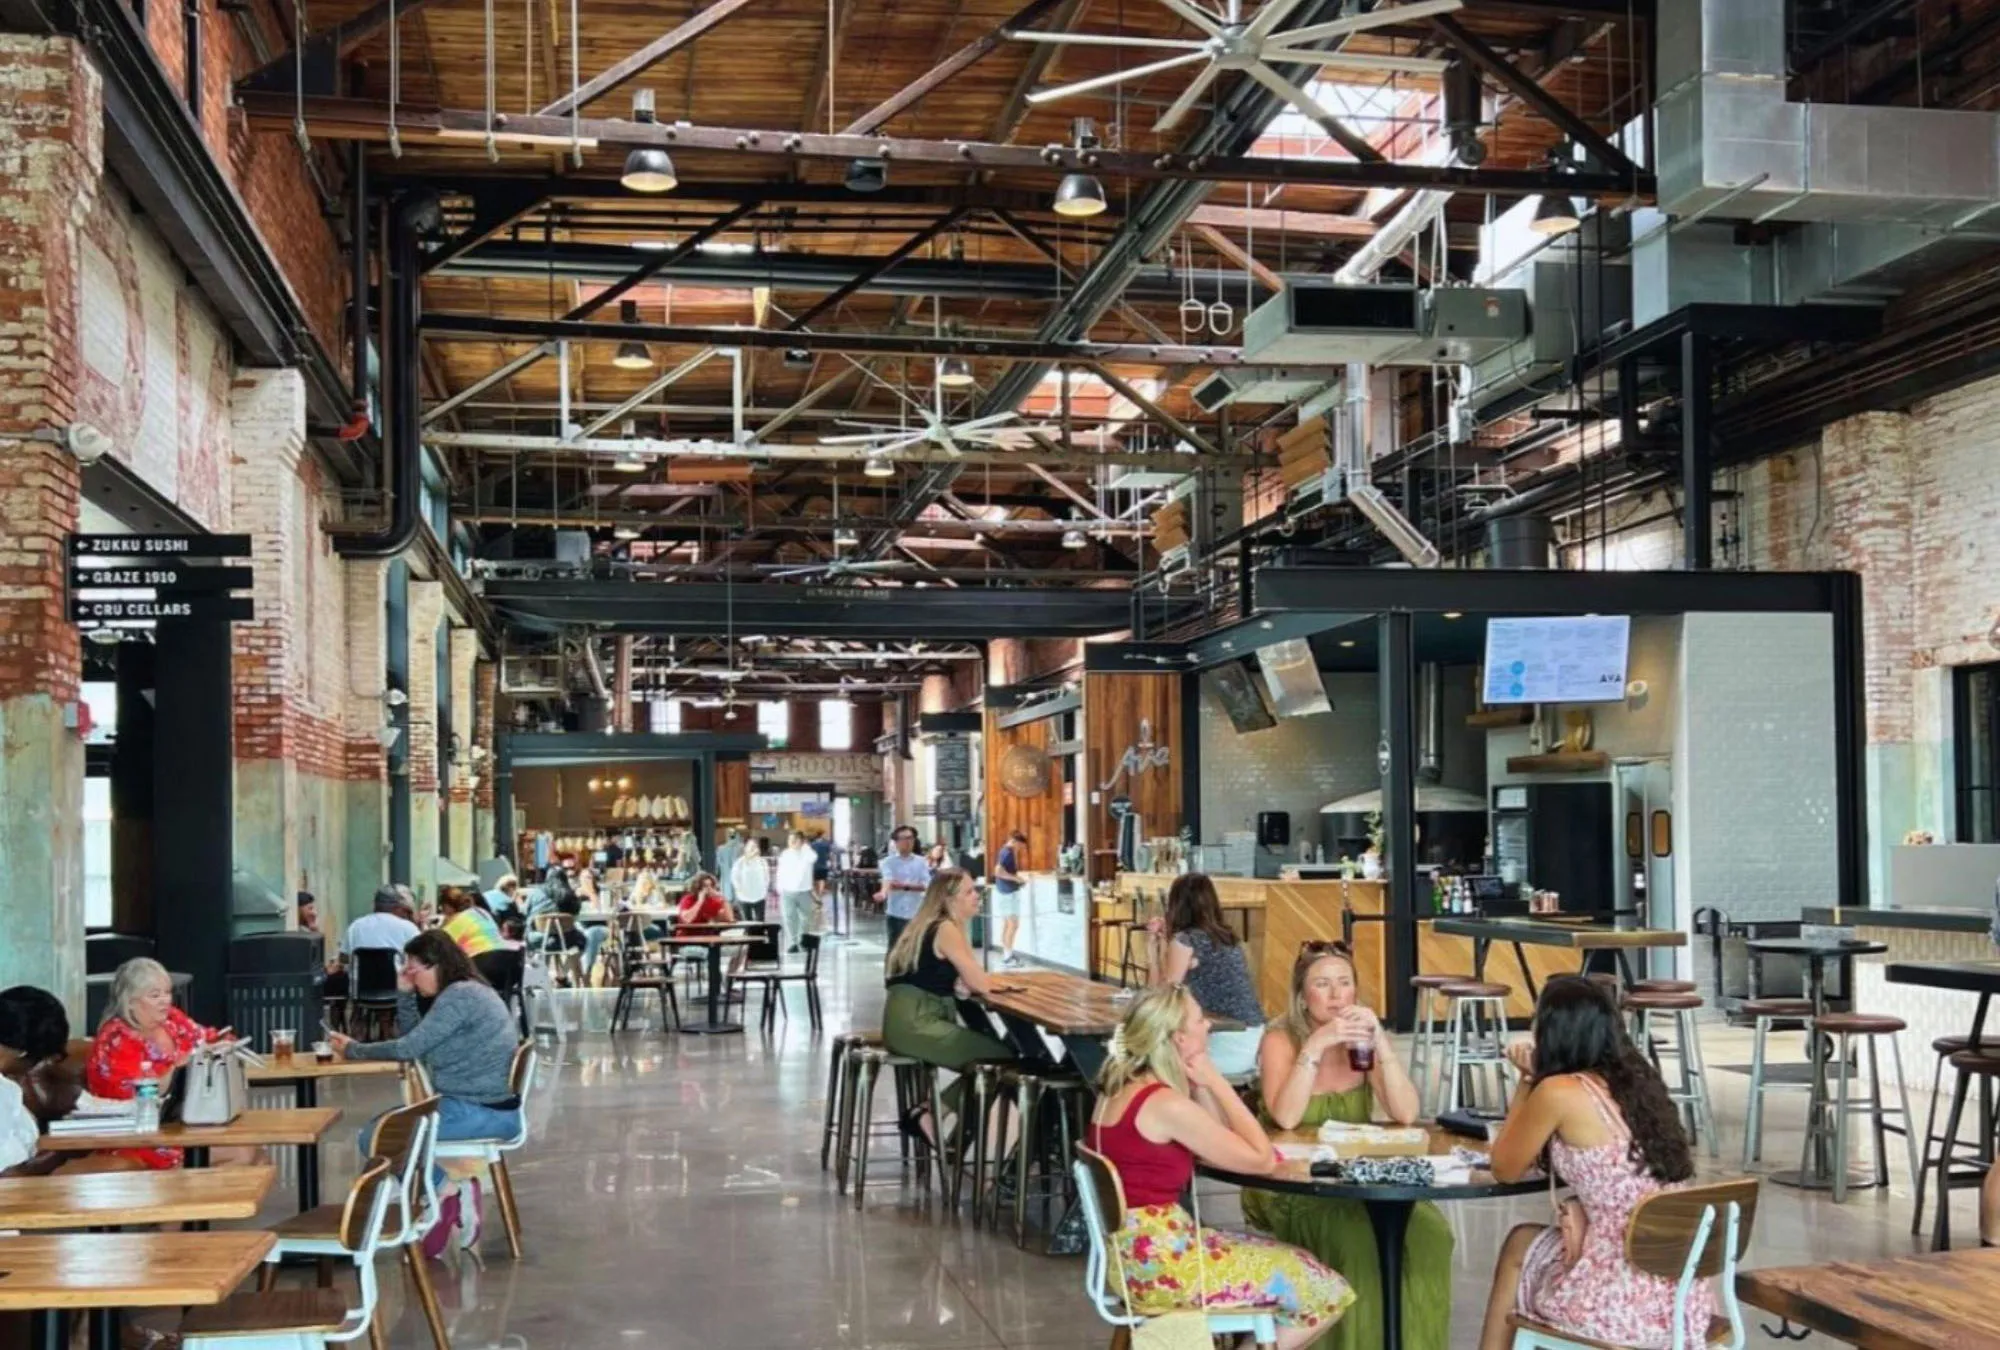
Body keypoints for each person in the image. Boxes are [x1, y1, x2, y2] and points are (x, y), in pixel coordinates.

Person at [1088, 985, 1354, 1350]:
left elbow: (1214, 1146)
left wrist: (1199, 1085)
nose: (1208, 1026)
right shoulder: (1165, 1105)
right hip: (1169, 1267)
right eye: (1200, 1019)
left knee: (1298, 1260)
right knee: (1325, 1288)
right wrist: (1215, 1079)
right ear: (1180, 1037)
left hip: (1136, 1259)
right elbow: (1260, 1158)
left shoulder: (1120, 1088)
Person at [1476, 976, 1705, 1350]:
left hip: (1619, 1295)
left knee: (1519, 1247)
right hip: (1677, 1297)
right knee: (1522, 1241)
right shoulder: (1637, 1083)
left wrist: (1526, 1080)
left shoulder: (1559, 1091)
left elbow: (1504, 1167)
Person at [1244, 942, 1442, 1350]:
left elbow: (1406, 1112)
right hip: (1294, 1184)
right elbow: (1286, 1118)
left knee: (1430, 1233)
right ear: (1302, 995)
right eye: (1322, 984)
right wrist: (1316, 1045)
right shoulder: (1280, 1040)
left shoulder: (1361, 1044)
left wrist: (1382, 1042)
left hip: (1360, 1177)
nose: (1336, 995)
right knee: (1354, 1241)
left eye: (1344, 984)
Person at [331, 930, 524, 1258]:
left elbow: (408, 1047)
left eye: (412, 969)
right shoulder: (467, 992)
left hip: (479, 1112)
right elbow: (417, 1038)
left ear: (434, 965)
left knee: (375, 1138)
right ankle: (439, 1192)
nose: (409, 976)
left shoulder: (460, 996)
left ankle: (445, 1190)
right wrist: (405, 995)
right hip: (480, 1106)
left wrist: (353, 1050)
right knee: (383, 1134)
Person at [88, 959, 257, 1170]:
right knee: (242, 1152)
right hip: (140, 1134)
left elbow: (206, 1037)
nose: (165, 1001)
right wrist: (178, 1066)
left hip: (183, 1121)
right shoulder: (115, 1039)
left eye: (167, 993)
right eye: (155, 995)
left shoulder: (171, 1020)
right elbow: (133, 1100)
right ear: (130, 1001)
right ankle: (207, 1202)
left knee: (257, 1150)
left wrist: (223, 1043)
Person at [882, 869, 1016, 1130]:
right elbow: (979, 982)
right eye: (968, 892)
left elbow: (954, 979)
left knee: (994, 1059)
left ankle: (931, 1115)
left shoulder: (929, 925)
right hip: (918, 1025)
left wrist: (965, 983)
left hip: (905, 1022)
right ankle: (931, 1113)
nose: (977, 896)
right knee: (1001, 1059)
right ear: (949, 899)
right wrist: (989, 983)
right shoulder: (945, 928)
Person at [1144, 873, 1267, 1077]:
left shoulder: (1187, 940)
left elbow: (1161, 999)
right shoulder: (1227, 938)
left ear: (1175, 905)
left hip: (1227, 1043)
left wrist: (1152, 949)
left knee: (1151, 1062)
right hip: (1255, 1040)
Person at [1, 986, 73, 1176]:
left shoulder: (8, 1089)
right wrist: (55, 1158)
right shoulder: (5, 1092)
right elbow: (7, 1173)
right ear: (21, 1053)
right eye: (41, 1060)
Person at [880, 825, 931, 951]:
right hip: (896, 913)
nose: (908, 842)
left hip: (917, 912)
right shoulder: (887, 862)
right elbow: (889, 880)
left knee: (917, 949)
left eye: (911, 838)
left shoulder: (922, 861)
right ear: (896, 842)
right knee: (895, 948)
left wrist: (904, 886)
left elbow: (927, 885)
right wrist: (884, 892)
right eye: (904, 839)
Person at [776, 831, 818, 954]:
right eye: (790, 840)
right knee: (789, 917)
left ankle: (803, 940)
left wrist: (805, 846)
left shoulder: (807, 853)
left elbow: (813, 858)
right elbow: (780, 872)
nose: (792, 843)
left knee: (806, 918)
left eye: (795, 840)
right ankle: (793, 942)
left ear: (801, 841)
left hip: (804, 890)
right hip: (787, 890)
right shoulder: (785, 854)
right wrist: (779, 887)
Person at [992, 829, 1027, 969]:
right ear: (1014, 841)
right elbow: (998, 871)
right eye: (1020, 846)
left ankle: (1007, 954)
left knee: (1007, 924)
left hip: (1004, 891)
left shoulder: (1005, 851)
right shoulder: (1007, 853)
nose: (1020, 849)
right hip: (1008, 892)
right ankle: (1007, 957)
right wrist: (1016, 879)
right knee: (1013, 924)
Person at [441, 886, 505, 957]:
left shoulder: (456, 921)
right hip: (501, 953)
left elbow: (440, 943)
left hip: (481, 959)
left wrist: (443, 924)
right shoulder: (480, 911)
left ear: (447, 906)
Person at [731, 837, 772, 923]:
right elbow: (735, 878)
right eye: (752, 847)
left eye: (755, 847)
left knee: (760, 922)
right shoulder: (740, 862)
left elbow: (767, 877)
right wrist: (739, 889)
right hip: (744, 897)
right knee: (747, 922)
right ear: (746, 849)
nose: (754, 850)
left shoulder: (762, 861)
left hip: (760, 896)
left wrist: (764, 890)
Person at [716, 828, 746, 907]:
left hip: (726, 877)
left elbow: (717, 865)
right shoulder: (741, 847)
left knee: (727, 899)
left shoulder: (721, 848)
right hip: (738, 877)